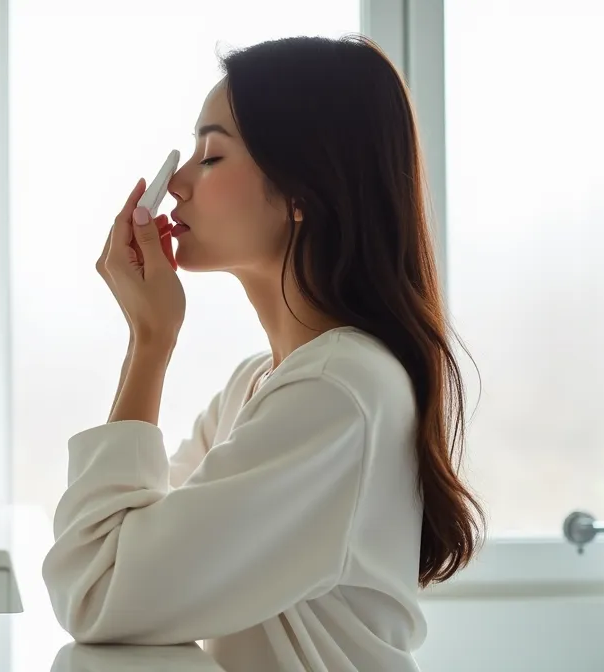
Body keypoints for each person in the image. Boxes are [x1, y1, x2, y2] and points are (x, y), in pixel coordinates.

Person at [40, 34, 485, 671]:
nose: (177, 187)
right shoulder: (264, 382)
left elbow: (98, 592)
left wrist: (150, 343)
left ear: (304, 191)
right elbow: (126, 555)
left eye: (212, 155)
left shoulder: (335, 394)